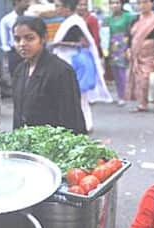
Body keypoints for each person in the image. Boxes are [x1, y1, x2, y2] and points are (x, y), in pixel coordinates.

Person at [12, 16, 86, 134]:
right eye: (17, 39)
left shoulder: (61, 71)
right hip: (26, 144)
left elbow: (72, 118)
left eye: (29, 38)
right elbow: (18, 115)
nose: (22, 44)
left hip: (52, 144)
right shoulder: (20, 71)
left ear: (44, 38)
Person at [52, 0, 112, 133]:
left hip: (74, 63)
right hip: (70, 63)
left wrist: (59, 44)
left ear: (67, 7)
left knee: (80, 96)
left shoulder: (74, 23)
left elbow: (84, 43)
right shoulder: (70, 21)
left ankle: (86, 124)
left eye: (58, 6)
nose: (56, 9)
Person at [105, 0, 135, 105]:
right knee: (115, 71)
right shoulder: (108, 19)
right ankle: (119, 94)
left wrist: (129, 47)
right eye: (112, 3)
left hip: (124, 45)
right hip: (112, 46)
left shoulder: (128, 16)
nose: (115, 5)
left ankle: (125, 95)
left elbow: (132, 32)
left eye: (117, 3)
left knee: (122, 70)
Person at [0, 0, 32, 78]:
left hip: (30, 51)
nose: (28, 4)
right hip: (15, 54)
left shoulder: (31, 17)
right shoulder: (6, 20)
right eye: (26, 1)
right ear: (17, 2)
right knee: (17, 79)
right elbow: (4, 43)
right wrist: (14, 49)